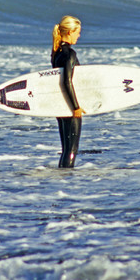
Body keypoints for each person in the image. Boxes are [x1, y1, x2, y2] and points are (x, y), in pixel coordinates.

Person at [51, 15, 85, 168]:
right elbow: (67, 81)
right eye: (77, 32)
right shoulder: (69, 54)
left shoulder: (57, 52)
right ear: (70, 31)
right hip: (69, 106)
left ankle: (63, 176)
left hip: (60, 105)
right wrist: (76, 107)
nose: (79, 35)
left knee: (65, 149)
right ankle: (68, 179)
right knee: (71, 149)